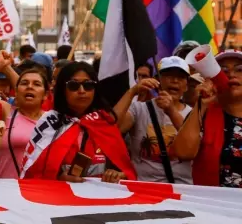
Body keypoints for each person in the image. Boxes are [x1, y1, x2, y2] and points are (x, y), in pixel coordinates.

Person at [21, 61, 136, 183]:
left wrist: (118, 175)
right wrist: (59, 178)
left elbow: (126, 171)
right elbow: (34, 171)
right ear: (62, 90)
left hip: (100, 198)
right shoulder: (50, 122)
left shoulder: (104, 123)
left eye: (88, 85)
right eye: (73, 85)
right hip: (58, 197)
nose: (82, 90)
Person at [114, 56, 192, 184]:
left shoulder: (193, 114)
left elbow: (193, 149)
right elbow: (112, 128)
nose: (175, 80)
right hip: (143, 188)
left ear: (187, 85)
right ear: (157, 80)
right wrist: (132, 91)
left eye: (181, 77)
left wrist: (171, 110)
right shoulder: (139, 109)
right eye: (168, 75)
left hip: (181, 190)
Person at [173, 50, 242, 187]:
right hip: (215, 205)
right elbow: (183, 152)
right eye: (224, 70)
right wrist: (202, 104)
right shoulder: (204, 112)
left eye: (239, 69)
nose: (232, 74)